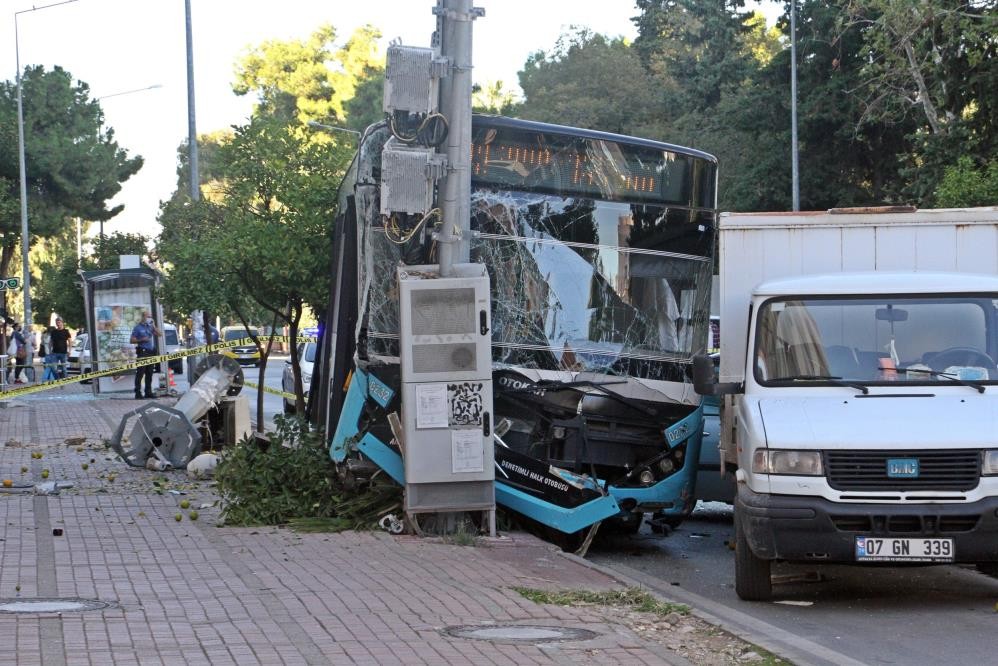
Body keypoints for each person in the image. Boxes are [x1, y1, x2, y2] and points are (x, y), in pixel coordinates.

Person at [130, 310, 160, 399]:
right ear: (143, 317)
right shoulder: (137, 328)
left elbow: (160, 334)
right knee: (140, 373)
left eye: (150, 316)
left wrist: (154, 325)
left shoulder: (150, 327)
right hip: (142, 352)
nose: (149, 318)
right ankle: (138, 393)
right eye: (148, 316)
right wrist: (141, 340)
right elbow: (131, 340)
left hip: (151, 352)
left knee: (149, 373)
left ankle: (148, 392)